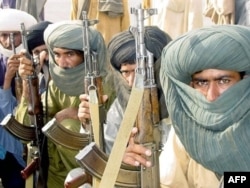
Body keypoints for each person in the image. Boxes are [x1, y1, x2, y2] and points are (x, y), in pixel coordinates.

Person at [123, 24, 250, 187]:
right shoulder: (186, 132)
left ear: (244, 81)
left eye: (223, 81)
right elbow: (168, 183)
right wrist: (132, 168)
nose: (212, 96)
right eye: (202, 82)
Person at [65, 25, 172, 186]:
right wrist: (91, 123)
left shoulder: (180, 105)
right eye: (126, 72)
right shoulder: (121, 107)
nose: (131, 81)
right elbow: (102, 157)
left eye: (139, 72)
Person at [16, 20, 115, 187]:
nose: (61, 63)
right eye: (57, 54)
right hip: (54, 177)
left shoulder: (106, 85)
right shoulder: (56, 85)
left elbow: (112, 138)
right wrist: (28, 86)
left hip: (89, 178)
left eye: (69, 54)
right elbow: (28, 130)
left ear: (86, 56)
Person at [0, 8, 37, 188]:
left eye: (14, 35)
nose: (9, 41)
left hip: (27, 145)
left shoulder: (32, 58)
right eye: (4, 35)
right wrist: (8, 79)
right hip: (6, 145)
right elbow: (6, 113)